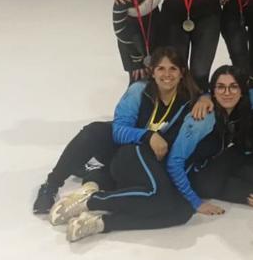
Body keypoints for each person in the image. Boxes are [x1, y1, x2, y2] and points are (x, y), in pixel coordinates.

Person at [44, 48, 200, 242]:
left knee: (182, 212)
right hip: (128, 154)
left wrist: (206, 98)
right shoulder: (139, 90)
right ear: (152, 71)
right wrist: (148, 136)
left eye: (173, 69)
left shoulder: (190, 103)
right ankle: (57, 188)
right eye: (161, 68)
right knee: (95, 131)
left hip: (147, 164)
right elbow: (118, 131)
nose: (166, 75)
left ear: (182, 72)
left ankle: (99, 219)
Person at [166, 66, 253, 216]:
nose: (227, 93)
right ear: (214, 92)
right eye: (220, 87)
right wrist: (196, 203)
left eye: (233, 87)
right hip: (197, 178)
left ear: (242, 91)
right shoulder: (202, 120)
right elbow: (173, 162)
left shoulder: (248, 100)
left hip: (217, 163)